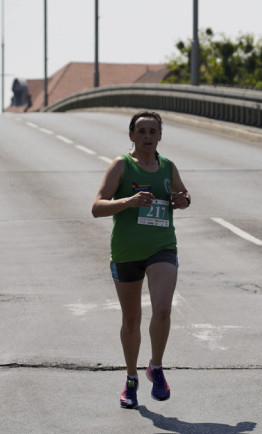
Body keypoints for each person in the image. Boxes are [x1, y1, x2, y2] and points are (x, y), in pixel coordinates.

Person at [91, 112, 191, 409]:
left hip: (162, 247)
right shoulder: (121, 165)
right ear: (132, 135)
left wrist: (183, 200)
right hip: (126, 251)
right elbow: (97, 207)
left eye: (153, 131)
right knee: (131, 320)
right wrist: (129, 202)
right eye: (142, 131)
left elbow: (182, 195)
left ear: (160, 136)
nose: (148, 136)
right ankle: (131, 378)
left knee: (162, 309)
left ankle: (156, 367)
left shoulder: (168, 167)